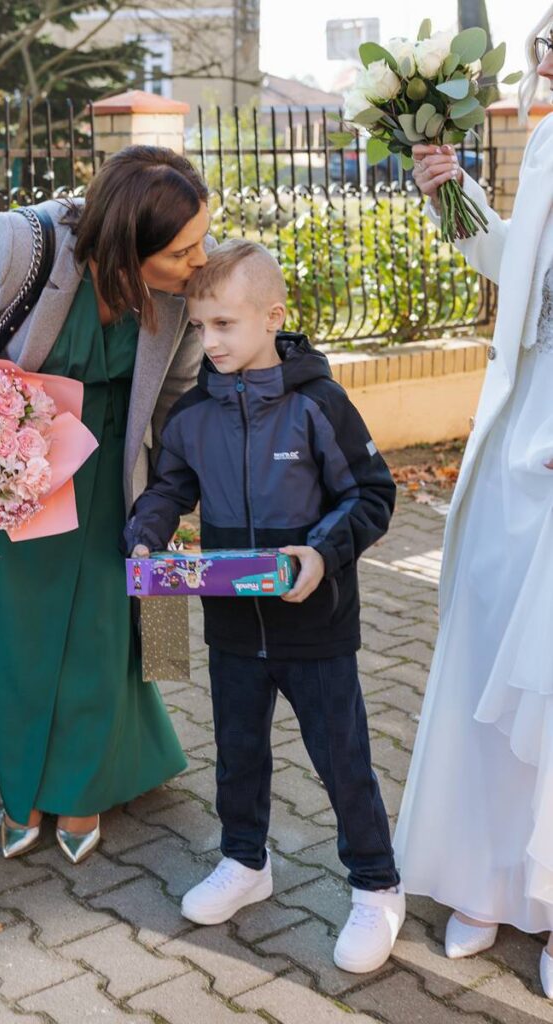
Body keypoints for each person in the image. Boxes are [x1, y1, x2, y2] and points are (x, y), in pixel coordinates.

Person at [0, 146, 213, 864]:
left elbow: (175, 397)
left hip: (117, 469)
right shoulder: (22, 241)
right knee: (15, 639)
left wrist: (175, 506)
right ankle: (21, 791)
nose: (199, 259)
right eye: (181, 250)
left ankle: (82, 788)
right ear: (127, 244)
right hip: (12, 469)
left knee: (107, 635)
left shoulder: (181, 294)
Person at [125, 239, 405, 974]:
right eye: (198, 327)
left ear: (271, 317)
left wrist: (320, 552)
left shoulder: (319, 404)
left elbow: (371, 495)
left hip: (313, 623)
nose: (208, 341)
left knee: (341, 761)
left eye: (223, 324)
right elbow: (168, 487)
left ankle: (376, 887)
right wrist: (148, 533)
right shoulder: (192, 413)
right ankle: (245, 864)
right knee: (238, 757)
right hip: (229, 626)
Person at [393, 13, 553, 998]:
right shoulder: (542, 146)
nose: (546, 60)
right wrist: (450, 194)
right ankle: (482, 875)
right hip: (520, 433)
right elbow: (511, 269)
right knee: (487, 640)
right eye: (546, 43)